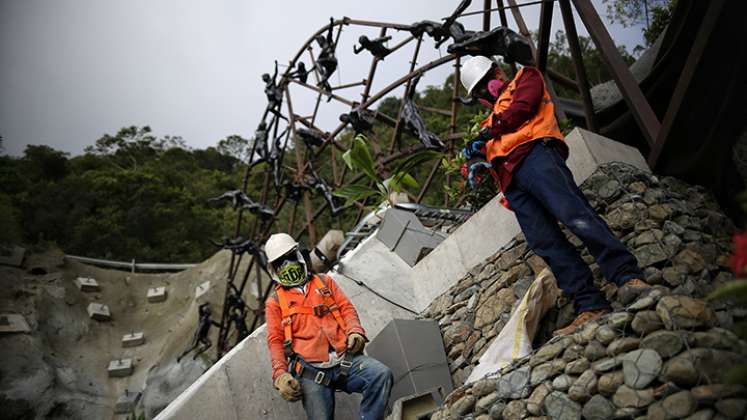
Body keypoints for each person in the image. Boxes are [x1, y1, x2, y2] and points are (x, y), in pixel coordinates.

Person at [459, 56, 651, 336]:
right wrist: (474, 159)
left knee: (575, 215)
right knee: (546, 242)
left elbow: (521, 110)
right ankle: (590, 304)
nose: (482, 95)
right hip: (513, 183)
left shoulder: (526, 78)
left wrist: (487, 132)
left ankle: (627, 276)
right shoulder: (490, 121)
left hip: (537, 157)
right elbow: (489, 145)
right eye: (476, 94)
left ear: (497, 71)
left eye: (482, 86)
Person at [264, 233, 393, 420]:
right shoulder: (275, 302)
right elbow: (275, 341)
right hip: (311, 371)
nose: (287, 265)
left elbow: (346, 308)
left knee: (380, 375)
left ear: (299, 256)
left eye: (289, 257)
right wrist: (280, 374)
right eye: (280, 262)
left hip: (345, 359)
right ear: (273, 269)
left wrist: (355, 331)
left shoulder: (324, 282)